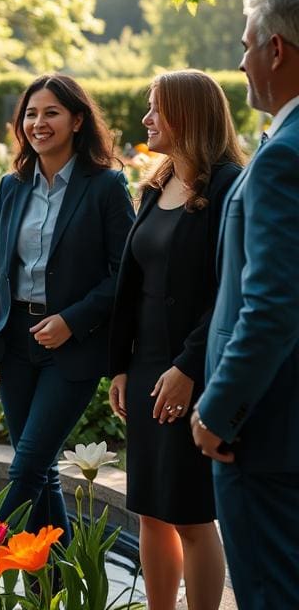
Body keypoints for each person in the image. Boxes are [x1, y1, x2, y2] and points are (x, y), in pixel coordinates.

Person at [0, 73, 135, 541]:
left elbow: (124, 272)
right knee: (40, 471)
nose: (38, 123)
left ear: (77, 120)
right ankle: (59, 587)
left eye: (51, 112)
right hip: (14, 343)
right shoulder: (12, 185)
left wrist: (71, 320)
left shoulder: (105, 186)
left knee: (25, 470)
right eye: (31, 113)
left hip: (73, 347)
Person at [108, 70, 244, 610]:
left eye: (156, 109)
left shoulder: (231, 185)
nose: (146, 119)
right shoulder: (155, 184)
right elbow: (130, 283)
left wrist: (189, 368)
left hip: (196, 369)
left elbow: (227, 290)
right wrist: (120, 365)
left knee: (190, 513)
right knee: (148, 509)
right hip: (146, 369)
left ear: (187, 115)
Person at [192, 0, 299, 610]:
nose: (240, 62)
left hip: (264, 430)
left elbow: (273, 305)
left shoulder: (284, 157)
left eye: (245, 45)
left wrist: (218, 410)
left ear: (277, 50)